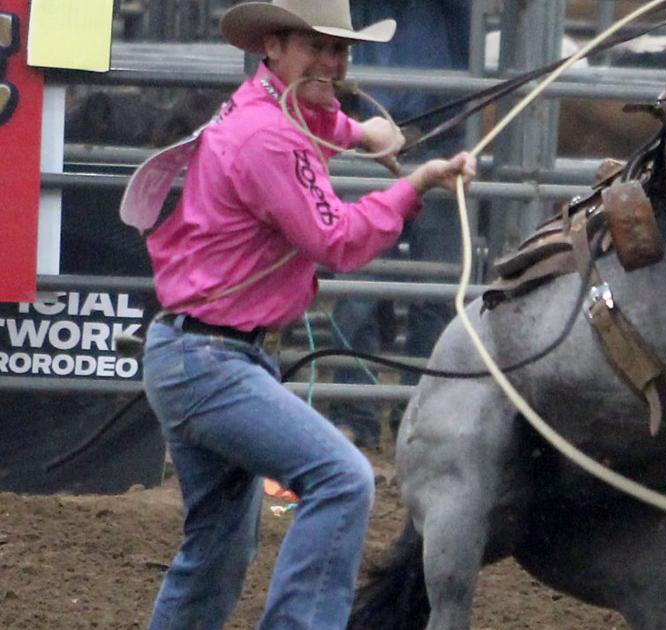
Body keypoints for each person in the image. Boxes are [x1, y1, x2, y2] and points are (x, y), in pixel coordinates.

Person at [137, 1, 476, 628]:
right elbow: (335, 239)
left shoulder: (263, 112)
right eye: (316, 47)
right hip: (214, 362)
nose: (331, 61)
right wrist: (414, 186)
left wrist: (359, 133)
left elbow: (312, 122)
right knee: (343, 479)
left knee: (215, 549)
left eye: (339, 50)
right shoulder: (268, 136)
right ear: (274, 46)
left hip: (199, 355)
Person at [329, 0, 472, 450]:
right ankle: (357, 413)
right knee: (358, 292)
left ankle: (418, 413)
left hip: (438, 135)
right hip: (374, 138)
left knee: (438, 293)